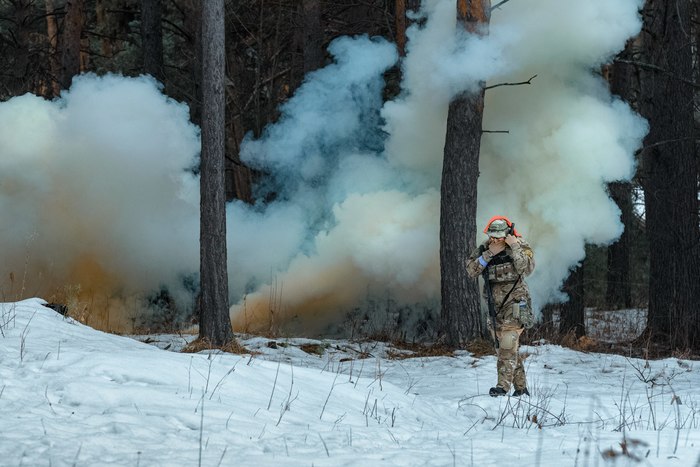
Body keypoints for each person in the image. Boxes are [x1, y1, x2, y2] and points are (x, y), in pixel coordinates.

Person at [466, 216, 535, 397]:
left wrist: (514, 246)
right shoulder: (484, 248)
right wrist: (488, 254)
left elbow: (526, 269)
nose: (495, 240)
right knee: (506, 350)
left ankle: (502, 387)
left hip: (515, 304)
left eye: (499, 236)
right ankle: (521, 389)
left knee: (507, 345)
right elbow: (471, 270)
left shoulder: (520, 246)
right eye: (492, 236)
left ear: (508, 234)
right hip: (494, 308)